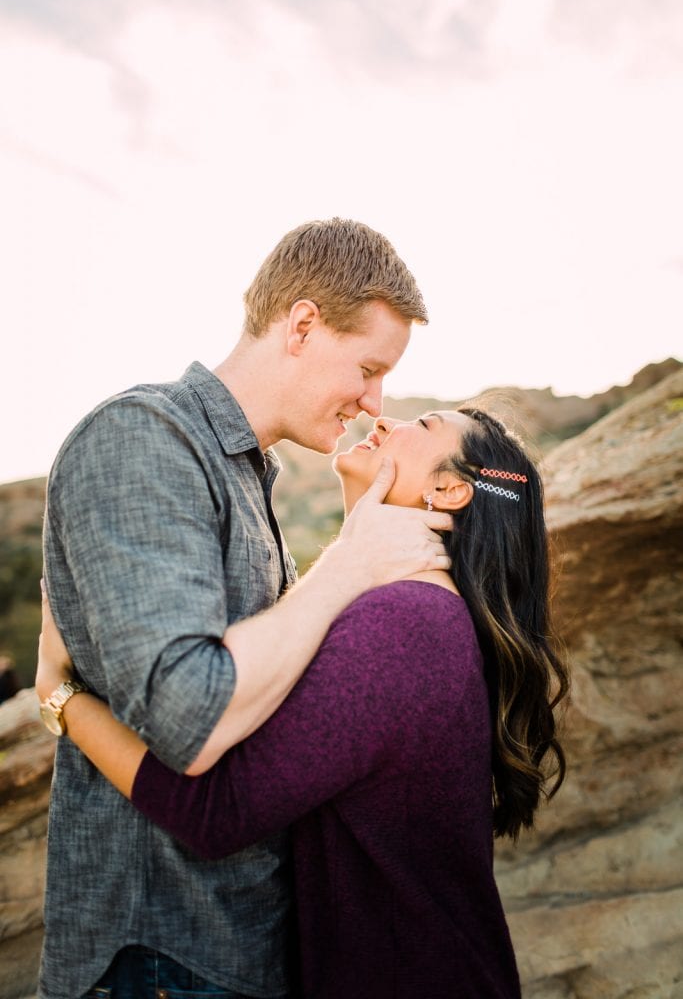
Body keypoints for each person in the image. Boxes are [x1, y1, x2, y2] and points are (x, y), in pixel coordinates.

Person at [38, 217, 452, 999]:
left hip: (235, 946)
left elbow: (281, 695)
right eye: (367, 368)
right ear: (301, 325)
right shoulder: (142, 439)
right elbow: (191, 722)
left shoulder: (247, 473)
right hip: (161, 955)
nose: (374, 400)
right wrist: (347, 565)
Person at [37, 404, 569, 998]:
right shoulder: (417, 612)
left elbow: (217, 812)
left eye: (421, 427)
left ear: (448, 490)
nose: (386, 418)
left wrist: (61, 694)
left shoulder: (405, 623)